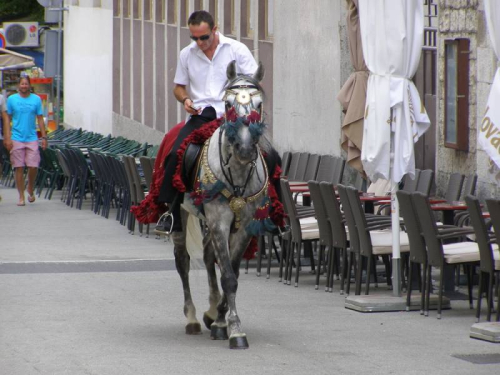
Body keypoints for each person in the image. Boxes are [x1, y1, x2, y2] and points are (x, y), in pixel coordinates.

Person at [158, 10, 258, 229]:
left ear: (215, 29)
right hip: (202, 114)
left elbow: (252, 85)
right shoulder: (187, 54)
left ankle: (274, 214)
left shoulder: (237, 50)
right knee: (176, 153)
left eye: (204, 37)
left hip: (235, 117)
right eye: (194, 38)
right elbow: (178, 87)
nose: (199, 42)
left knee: (269, 156)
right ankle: (172, 214)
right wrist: (185, 100)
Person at [3, 76, 48, 206]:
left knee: (33, 165)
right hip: (16, 137)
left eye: (26, 84)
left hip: (32, 137)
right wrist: (7, 136)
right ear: (18, 85)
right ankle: (21, 196)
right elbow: (7, 118)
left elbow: (39, 118)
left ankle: (30, 187)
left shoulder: (36, 99)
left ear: (29, 85)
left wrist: (44, 137)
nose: (24, 86)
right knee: (19, 167)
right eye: (22, 84)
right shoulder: (11, 99)